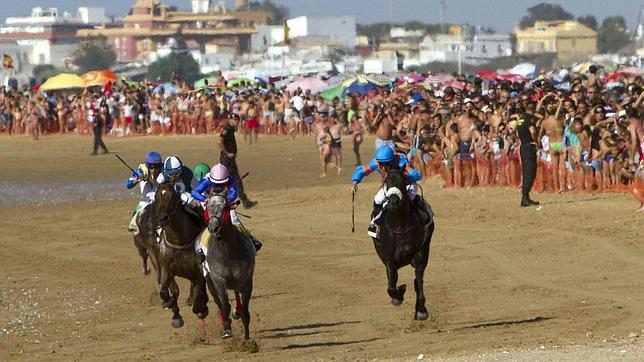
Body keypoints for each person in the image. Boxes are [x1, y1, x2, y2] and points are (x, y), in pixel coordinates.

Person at [352, 145, 430, 239]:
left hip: (407, 184)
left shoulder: (401, 161)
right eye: (381, 164)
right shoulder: (376, 163)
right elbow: (361, 171)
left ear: (392, 161)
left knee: (410, 196)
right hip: (390, 185)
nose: (382, 167)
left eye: (386, 164)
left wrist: (406, 174)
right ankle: (375, 224)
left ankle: (423, 218)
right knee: (378, 199)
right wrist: (355, 182)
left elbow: (416, 176)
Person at [191, 164, 262, 251]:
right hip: (210, 203)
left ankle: (249, 239)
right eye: (216, 183)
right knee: (208, 222)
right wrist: (204, 199)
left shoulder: (230, 179)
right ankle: (200, 249)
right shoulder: (207, 179)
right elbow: (195, 192)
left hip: (224, 203)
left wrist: (225, 200)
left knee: (234, 219)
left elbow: (234, 193)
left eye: (222, 183)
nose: (219, 185)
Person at [219, 113, 258, 209]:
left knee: (231, 179)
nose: (236, 122)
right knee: (235, 180)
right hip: (227, 159)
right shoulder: (227, 129)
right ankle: (242, 201)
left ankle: (242, 201)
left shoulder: (230, 129)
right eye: (234, 120)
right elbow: (219, 141)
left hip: (229, 159)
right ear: (230, 120)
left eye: (237, 120)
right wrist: (227, 153)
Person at [126, 151, 163, 236]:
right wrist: (137, 180)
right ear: (147, 166)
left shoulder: (164, 170)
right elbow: (128, 185)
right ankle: (134, 220)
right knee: (144, 204)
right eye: (151, 168)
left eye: (157, 167)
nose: (154, 170)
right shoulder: (141, 170)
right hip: (147, 192)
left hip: (158, 189)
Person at [516, 112, 540, 207]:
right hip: (529, 146)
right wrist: (536, 141)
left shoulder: (519, 122)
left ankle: (525, 197)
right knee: (530, 171)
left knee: (526, 171)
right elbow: (533, 131)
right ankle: (525, 197)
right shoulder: (528, 121)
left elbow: (517, 133)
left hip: (523, 145)